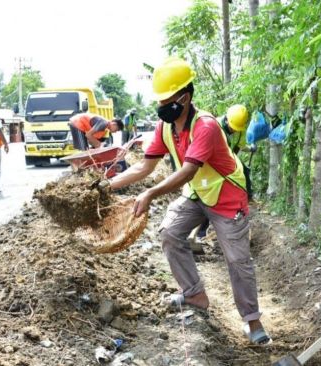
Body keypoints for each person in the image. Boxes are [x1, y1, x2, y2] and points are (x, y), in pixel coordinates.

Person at [105, 56, 270, 345]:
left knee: (237, 259)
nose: (161, 106)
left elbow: (187, 170)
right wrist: (107, 185)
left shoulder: (205, 126)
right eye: (159, 101)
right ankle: (194, 294)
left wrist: (149, 193)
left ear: (185, 97)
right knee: (170, 233)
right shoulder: (165, 127)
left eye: (167, 100)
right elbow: (145, 166)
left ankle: (252, 320)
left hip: (226, 196)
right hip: (197, 193)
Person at [196, 104, 252, 241]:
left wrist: (232, 170)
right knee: (209, 195)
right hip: (211, 163)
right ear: (226, 120)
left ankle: (241, 208)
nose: (234, 131)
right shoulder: (213, 126)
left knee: (244, 171)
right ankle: (201, 231)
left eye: (236, 129)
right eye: (232, 128)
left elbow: (236, 150)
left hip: (228, 160)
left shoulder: (240, 129)